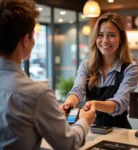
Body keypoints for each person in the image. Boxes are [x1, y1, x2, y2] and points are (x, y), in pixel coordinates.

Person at [0, 0, 96, 150]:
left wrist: (49, 112)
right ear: (26, 40)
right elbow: (68, 144)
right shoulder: (36, 94)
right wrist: (85, 121)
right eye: (33, 35)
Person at [60, 12, 138, 129]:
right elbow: (78, 90)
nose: (105, 40)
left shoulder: (130, 69)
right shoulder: (86, 66)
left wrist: (94, 104)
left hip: (119, 131)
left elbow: (120, 102)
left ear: (121, 38)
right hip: (90, 129)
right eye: (100, 35)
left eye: (111, 35)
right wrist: (70, 102)